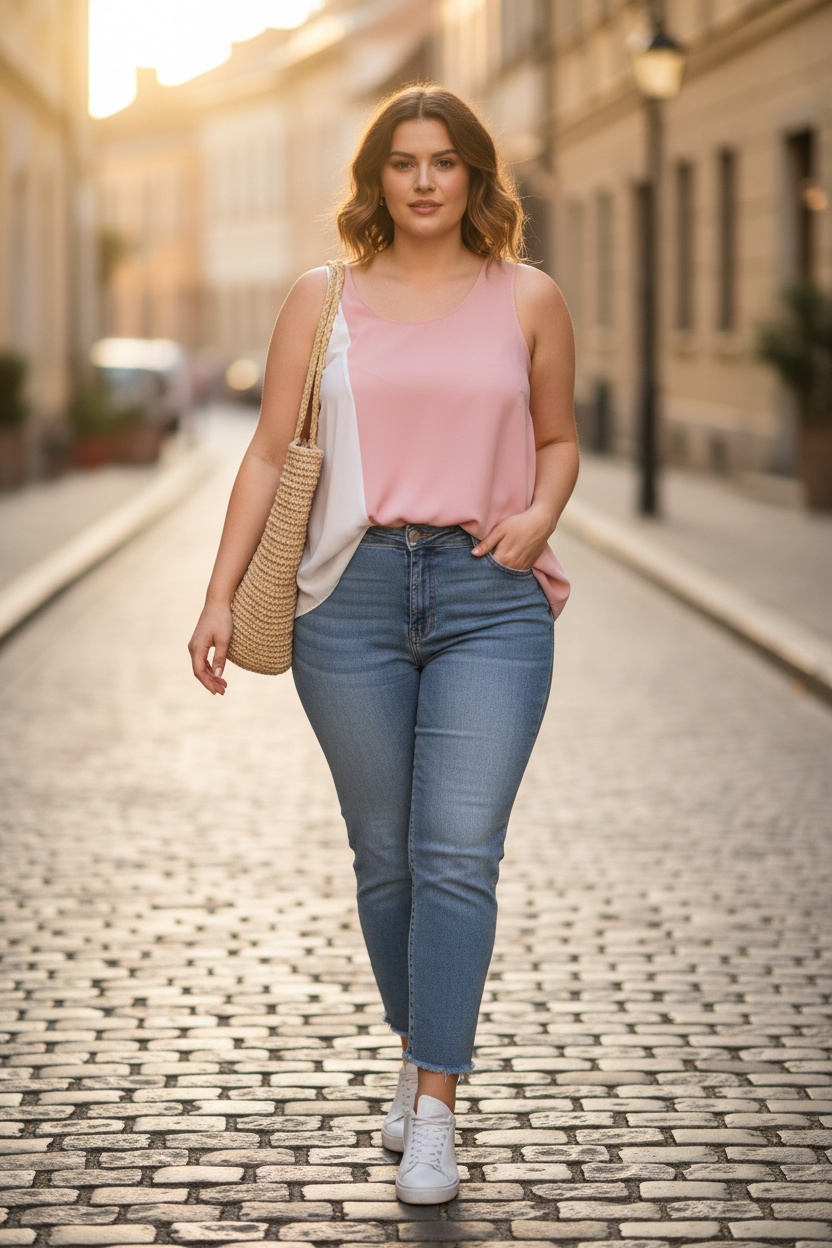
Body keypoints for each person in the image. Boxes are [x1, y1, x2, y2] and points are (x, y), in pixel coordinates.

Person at [188, 84, 578, 1205]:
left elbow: (557, 439)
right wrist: (218, 597)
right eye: (401, 161)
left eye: (442, 161)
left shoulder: (529, 299)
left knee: (457, 851)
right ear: (376, 179)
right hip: (345, 601)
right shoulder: (322, 299)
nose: (421, 180)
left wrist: (540, 514)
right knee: (385, 854)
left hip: (488, 593)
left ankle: (435, 1112)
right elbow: (268, 456)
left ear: (473, 178)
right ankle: (419, 1047)